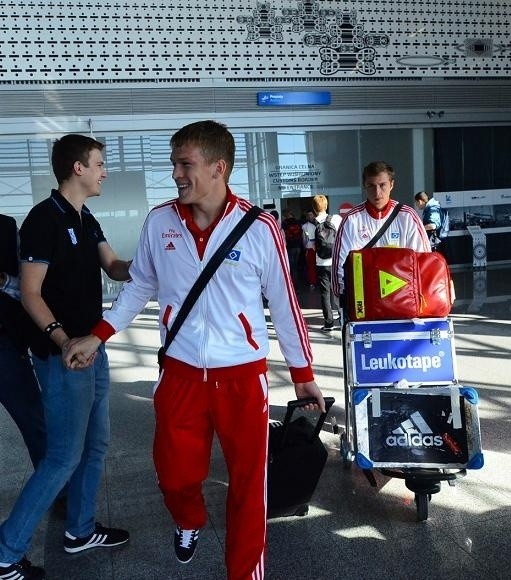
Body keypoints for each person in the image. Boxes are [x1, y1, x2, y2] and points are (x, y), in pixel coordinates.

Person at [63, 120, 325, 580]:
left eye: (185, 164)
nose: (176, 174)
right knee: (175, 476)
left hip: (244, 378)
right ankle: (189, 520)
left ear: (218, 167)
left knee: (249, 489)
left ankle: (245, 574)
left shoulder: (259, 228)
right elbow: (140, 284)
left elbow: (286, 303)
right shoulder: (161, 221)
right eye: (173, 164)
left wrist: (303, 373)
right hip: (181, 375)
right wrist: (98, 335)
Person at [0, 134, 131, 580]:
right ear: (77, 168)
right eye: (98, 164)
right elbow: (31, 294)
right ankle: (5, 552)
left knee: (94, 446)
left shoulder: (85, 216)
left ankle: (79, 530)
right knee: (62, 457)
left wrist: (158, 260)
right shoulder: (43, 219)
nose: (104, 172)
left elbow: (114, 267)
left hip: (92, 347)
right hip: (63, 357)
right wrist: (63, 342)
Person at [332, 161, 431, 301]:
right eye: (371, 186)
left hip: (403, 301)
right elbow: (339, 268)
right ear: (364, 187)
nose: (377, 193)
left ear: (391, 185)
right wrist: (345, 303)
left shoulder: (408, 217)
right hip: (365, 303)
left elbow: (424, 262)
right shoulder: (351, 220)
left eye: (382, 185)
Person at [0, 214, 46, 470]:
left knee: (36, 424)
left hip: (6, 347)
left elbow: (29, 289)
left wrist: (3, 280)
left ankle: (60, 492)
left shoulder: (7, 229)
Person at [311, 195, 341, 331]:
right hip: (335, 262)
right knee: (339, 291)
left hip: (321, 263)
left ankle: (329, 323)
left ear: (314, 208)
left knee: (325, 293)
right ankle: (342, 317)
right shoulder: (337, 219)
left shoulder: (312, 225)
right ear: (326, 205)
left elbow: (312, 246)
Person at [281, 209, 303, 287]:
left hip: (290, 247)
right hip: (298, 247)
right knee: (295, 267)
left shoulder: (285, 223)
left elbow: (283, 235)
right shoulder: (298, 222)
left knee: (290, 266)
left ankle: (291, 285)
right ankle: (296, 285)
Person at [301, 210, 317, 289]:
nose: (310, 216)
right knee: (311, 266)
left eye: (311, 215)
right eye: (309, 215)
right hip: (311, 248)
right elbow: (305, 238)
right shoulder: (306, 226)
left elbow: (304, 239)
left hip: (314, 248)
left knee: (312, 266)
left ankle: (313, 282)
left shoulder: (316, 225)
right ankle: (312, 282)